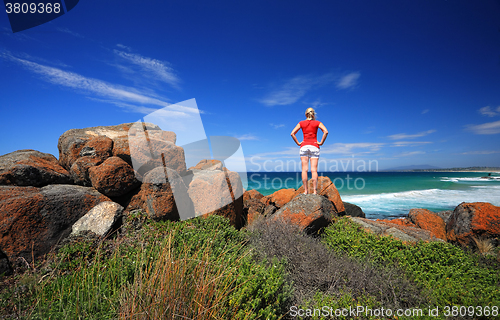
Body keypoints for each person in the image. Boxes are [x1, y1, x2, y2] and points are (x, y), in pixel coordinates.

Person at [291, 107, 328, 195]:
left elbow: (292, 133)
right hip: (314, 146)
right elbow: (326, 132)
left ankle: (306, 191)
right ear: (313, 114)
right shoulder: (317, 123)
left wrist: (298, 143)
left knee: (304, 170)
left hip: (304, 146)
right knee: (314, 170)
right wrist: (321, 142)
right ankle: (314, 191)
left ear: (305, 114)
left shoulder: (301, 123)